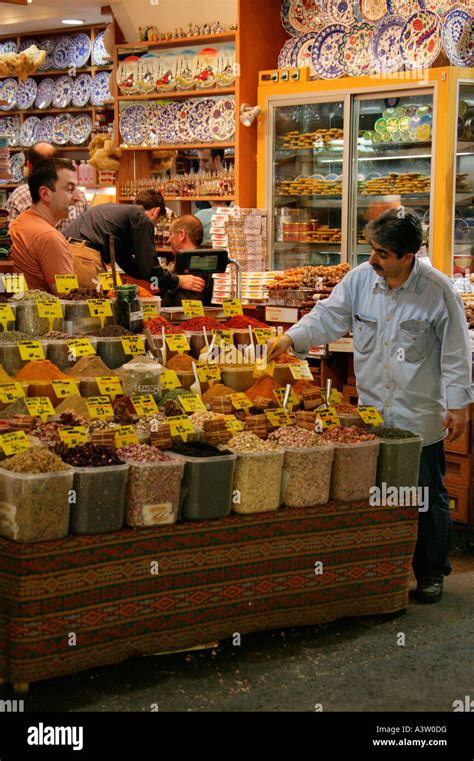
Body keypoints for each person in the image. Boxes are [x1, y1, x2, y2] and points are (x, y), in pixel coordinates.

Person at [269, 208, 473, 605]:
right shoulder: (360, 280)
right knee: (385, 494)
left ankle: (431, 572)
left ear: (407, 255)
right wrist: (292, 338)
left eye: (382, 253)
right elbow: (329, 316)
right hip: (374, 413)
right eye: (373, 250)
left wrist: (459, 404)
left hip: (418, 415)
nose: (373, 260)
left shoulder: (437, 290)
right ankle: (388, 569)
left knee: (426, 495)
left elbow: (455, 352)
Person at [61, 190, 204, 296]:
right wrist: (179, 281)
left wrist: (164, 277)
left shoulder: (118, 215)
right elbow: (149, 269)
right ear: (156, 212)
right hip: (83, 258)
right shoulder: (141, 218)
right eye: (157, 223)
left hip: (64, 254)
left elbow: (131, 265)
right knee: (87, 314)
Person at [9, 158, 78, 294]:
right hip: (41, 314)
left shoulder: (19, 223)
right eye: (70, 189)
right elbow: (68, 295)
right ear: (45, 194)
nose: (77, 197)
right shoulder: (48, 236)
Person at [4, 142, 88, 232]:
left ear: (29, 165)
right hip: (70, 245)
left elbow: (7, 235)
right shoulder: (79, 195)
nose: (76, 198)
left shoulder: (20, 195)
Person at [161, 214, 209, 307]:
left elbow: (186, 304)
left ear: (182, 235)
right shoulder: (194, 259)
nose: (168, 240)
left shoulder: (195, 263)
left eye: (171, 234)